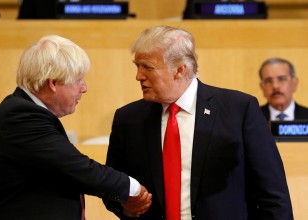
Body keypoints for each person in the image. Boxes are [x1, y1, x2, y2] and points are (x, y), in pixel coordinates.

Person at [103, 26, 293, 219]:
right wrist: (126, 208)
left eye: (147, 67)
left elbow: (273, 196)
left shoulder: (239, 110)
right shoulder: (128, 119)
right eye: (137, 66)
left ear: (179, 70)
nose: (139, 76)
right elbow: (112, 186)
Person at [0, 35, 152, 220]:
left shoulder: (24, 112)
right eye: (78, 79)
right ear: (53, 83)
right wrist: (134, 189)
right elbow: (78, 169)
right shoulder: (19, 117)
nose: (84, 88)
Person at [259, 57, 308, 122]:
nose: (275, 86)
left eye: (281, 79)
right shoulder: (252, 117)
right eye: (268, 81)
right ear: (262, 87)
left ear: (294, 83)